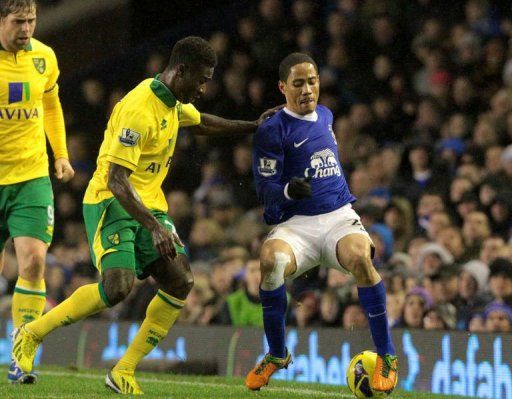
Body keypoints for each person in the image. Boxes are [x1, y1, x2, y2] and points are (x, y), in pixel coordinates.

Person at [11, 36, 277, 394]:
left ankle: (123, 371)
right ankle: (31, 333)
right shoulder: (139, 108)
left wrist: (253, 126)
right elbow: (115, 179)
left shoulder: (172, 101)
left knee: (181, 281)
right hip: (111, 201)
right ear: (180, 70)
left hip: (149, 203)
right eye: (200, 80)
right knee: (117, 286)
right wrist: (154, 228)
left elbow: (200, 122)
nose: (202, 89)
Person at [245, 53, 398, 394]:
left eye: (312, 81)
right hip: (296, 225)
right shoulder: (271, 132)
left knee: (361, 258)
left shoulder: (326, 115)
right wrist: (287, 190)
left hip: (338, 218)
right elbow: (265, 190)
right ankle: (277, 353)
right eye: (297, 83)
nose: (307, 89)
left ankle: (386, 355)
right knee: (271, 262)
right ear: (282, 87)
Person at [0, 0, 74, 384]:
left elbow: (50, 103)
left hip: (31, 177)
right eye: (18, 21)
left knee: (32, 263)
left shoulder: (44, 57)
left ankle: (21, 356)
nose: (27, 28)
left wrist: (60, 154)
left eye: (31, 20)